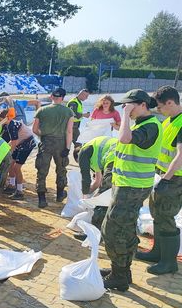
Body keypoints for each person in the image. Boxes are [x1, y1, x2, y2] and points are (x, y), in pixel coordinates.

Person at [101, 89, 163, 291]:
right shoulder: (143, 124)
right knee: (124, 228)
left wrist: (125, 116)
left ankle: (119, 274)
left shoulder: (151, 126)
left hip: (132, 188)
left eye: (130, 105)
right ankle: (121, 271)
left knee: (113, 229)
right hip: (127, 185)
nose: (126, 109)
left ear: (142, 105)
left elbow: (125, 139)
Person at [135, 86, 181, 275]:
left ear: (170, 102)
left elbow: (180, 156)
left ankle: (169, 262)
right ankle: (157, 253)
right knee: (157, 215)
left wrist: (166, 180)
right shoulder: (169, 121)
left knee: (166, 217)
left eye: (160, 107)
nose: (159, 111)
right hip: (162, 175)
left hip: (174, 179)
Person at [32, 87, 75, 208]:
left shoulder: (42, 110)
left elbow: (34, 129)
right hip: (61, 143)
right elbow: (69, 131)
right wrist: (67, 148)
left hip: (46, 142)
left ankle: (42, 199)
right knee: (61, 169)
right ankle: (60, 194)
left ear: (51, 96)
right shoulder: (68, 112)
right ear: (62, 97)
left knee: (42, 170)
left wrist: (44, 135)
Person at [73, 136, 117, 239]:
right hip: (123, 157)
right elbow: (98, 181)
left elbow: (86, 178)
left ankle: (94, 234)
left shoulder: (83, 153)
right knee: (113, 196)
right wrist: (90, 197)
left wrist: (85, 198)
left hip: (114, 160)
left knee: (102, 200)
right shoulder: (95, 153)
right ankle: (108, 230)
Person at [3, 115, 37, 200]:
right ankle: (12, 185)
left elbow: (14, 143)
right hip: (21, 143)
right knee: (10, 164)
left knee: (16, 168)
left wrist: (8, 154)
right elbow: (12, 141)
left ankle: (19, 191)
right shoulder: (9, 125)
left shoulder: (12, 125)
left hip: (27, 145)